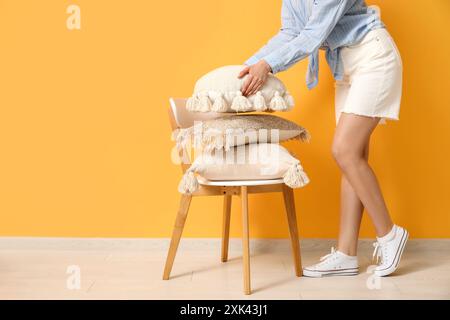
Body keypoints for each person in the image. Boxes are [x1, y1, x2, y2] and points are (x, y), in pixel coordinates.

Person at [239, 0, 407, 277]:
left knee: (344, 151)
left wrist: (266, 66)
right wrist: (249, 65)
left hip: (374, 59)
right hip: (346, 70)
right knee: (353, 158)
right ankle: (346, 254)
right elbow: (290, 32)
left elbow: (312, 35)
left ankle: (389, 234)